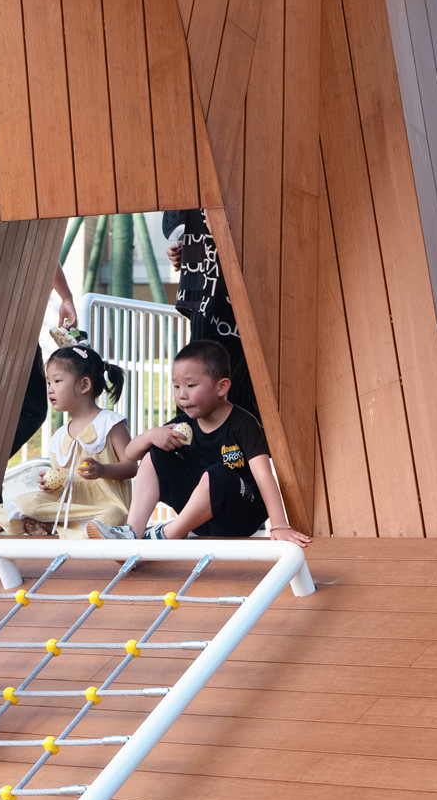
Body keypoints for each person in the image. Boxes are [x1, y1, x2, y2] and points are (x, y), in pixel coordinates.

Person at [88, 341, 310, 547]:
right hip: (199, 519)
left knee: (217, 474)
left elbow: (264, 475)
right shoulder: (184, 424)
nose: (182, 395)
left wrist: (279, 524)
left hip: (240, 515)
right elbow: (130, 454)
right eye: (176, 386)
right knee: (154, 455)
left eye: (191, 385)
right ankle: (132, 533)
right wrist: (150, 436)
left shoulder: (243, 424)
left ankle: (167, 535)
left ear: (221, 387)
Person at [0, 344, 134, 538]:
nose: (50, 389)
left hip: (101, 506)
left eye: (57, 381)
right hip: (68, 505)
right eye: (49, 383)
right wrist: (49, 483)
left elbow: (131, 467)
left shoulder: (110, 423)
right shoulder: (59, 436)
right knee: (30, 503)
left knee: (114, 516)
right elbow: (60, 477)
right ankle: (4, 516)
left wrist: (102, 470)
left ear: (84, 385)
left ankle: (50, 526)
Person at [163, 209, 259, 420]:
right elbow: (181, 229)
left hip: (233, 296)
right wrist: (187, 251)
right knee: (203, 379)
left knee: (230, 388)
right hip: (207, 293)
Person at [11, 264, 81, 456]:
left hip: (10, 322)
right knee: (32, 410)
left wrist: (66, 298)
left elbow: (49, 256)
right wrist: (66, 298)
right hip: (10, 322)